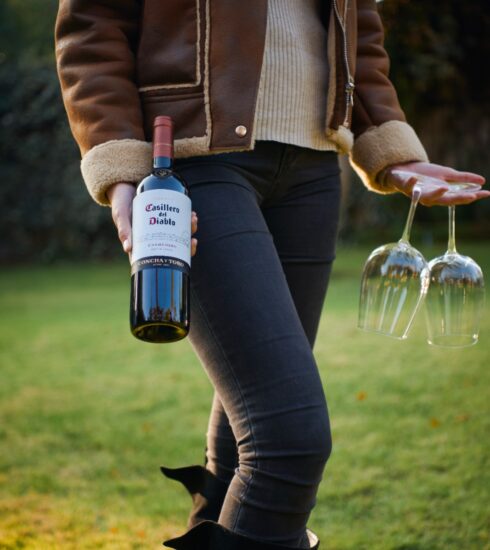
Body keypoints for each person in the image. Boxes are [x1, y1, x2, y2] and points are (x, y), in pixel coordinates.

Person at [54, 1, 488, 548]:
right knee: (289, 440)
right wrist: (120, 171)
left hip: (313, 170)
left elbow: (360, 33)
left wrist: (390, 146)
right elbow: (93, 27)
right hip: (194, 162)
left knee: (242, 435)